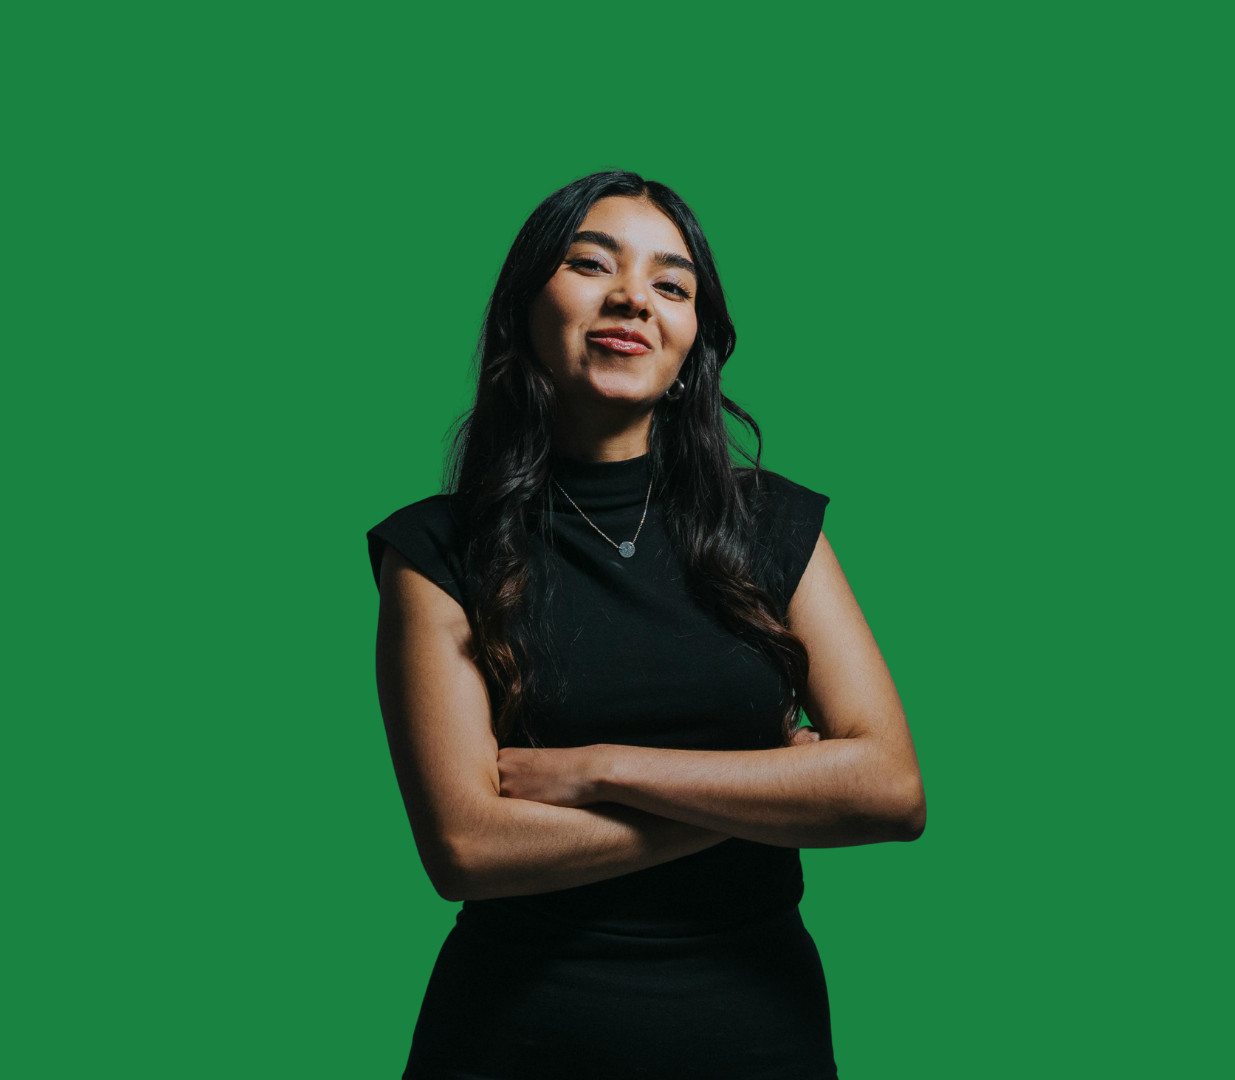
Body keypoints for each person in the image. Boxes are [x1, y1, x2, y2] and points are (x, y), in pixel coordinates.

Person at [368, 170, 925, 1080]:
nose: (633, 296)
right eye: (592, 264)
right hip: (517, 1037)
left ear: (692, 340)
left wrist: (602, 772)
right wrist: (776, 791)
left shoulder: (772, 525)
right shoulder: (437, 551)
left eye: (672, 284)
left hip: (757, 1033)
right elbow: (468, 847)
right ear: (523, 306)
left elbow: (892, 790)